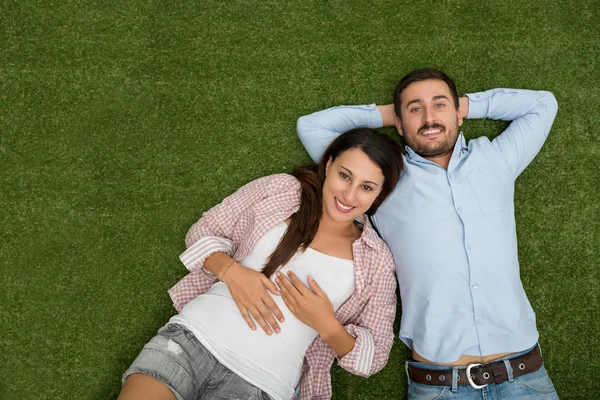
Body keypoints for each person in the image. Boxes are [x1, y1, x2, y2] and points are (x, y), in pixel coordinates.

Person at [296, 68, 559, 399]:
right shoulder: (384, 181)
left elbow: (543, 104)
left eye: (439, 105)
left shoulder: (497, 159)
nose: (429, 118)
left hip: (524, 377)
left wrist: (464, 104)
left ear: (458, 114)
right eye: (415, 109)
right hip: (440, 385)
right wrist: (390, 114)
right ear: (400, 124)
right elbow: (312, 126)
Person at [118, 128, 404, 400]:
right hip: (190, 340)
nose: (349, 195)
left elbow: (374, 357)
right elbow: (204, 230)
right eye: (345, 175)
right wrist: (233, 274)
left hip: (261, 384)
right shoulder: (282, 189)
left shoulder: (376, 259)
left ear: (380, 193)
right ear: (328, 165)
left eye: (366, 187)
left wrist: (327, 324)